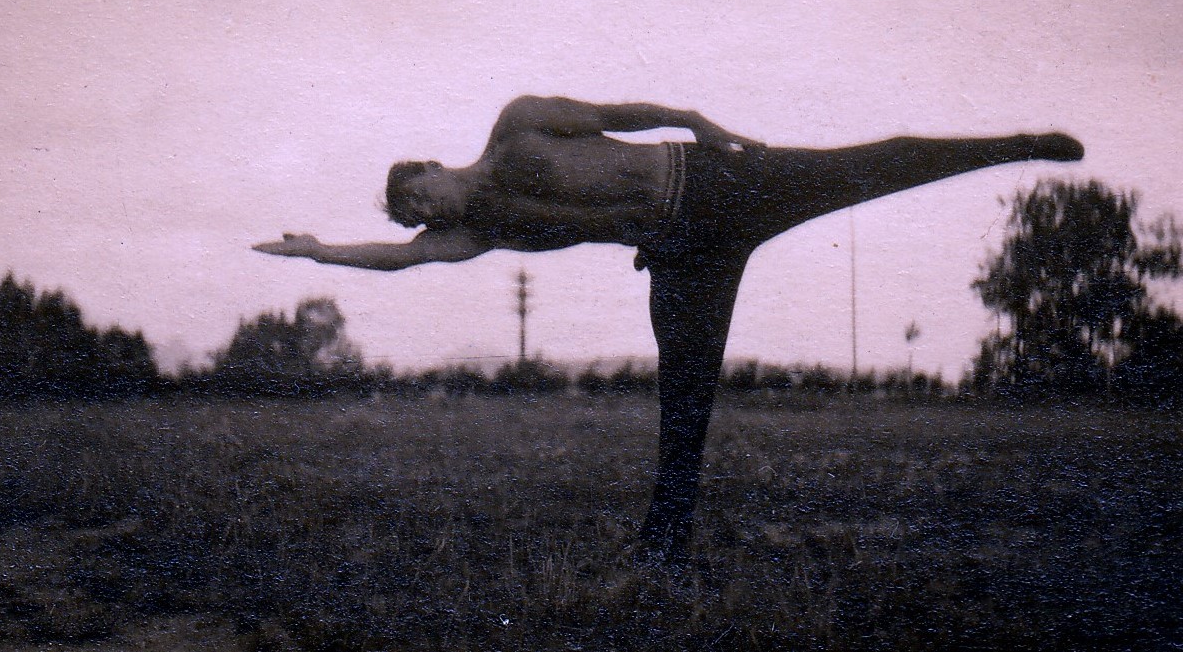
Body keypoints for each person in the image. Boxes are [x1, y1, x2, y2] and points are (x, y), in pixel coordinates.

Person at [254, 95, 1084, 556]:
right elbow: (398, 262)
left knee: (875, 161)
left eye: (420, 196)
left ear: (433, 165)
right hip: (681, 249)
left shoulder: (519, 124)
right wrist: (320, 250)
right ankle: (666, 536)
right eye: (415, 215)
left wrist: (703, 124)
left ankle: (1020, 142)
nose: (425, 213)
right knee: (684, 392)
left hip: (715, 180)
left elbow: (623, 109)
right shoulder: (481, 229)